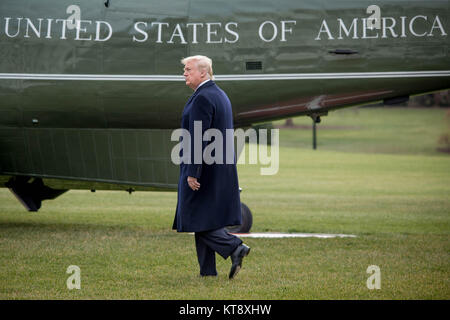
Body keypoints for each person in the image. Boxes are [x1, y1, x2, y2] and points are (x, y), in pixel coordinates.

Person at [172, 55, 250, 279]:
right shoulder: (219, 94)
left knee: (195, 216)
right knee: (203, 218)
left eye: (188, 70)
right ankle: (207, 272)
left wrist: (193, 172)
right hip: (218, 168)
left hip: (204, 169)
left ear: (203, 72)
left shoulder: (203, 98)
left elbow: (198, 137)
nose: (184, 73)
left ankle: (235, 247)